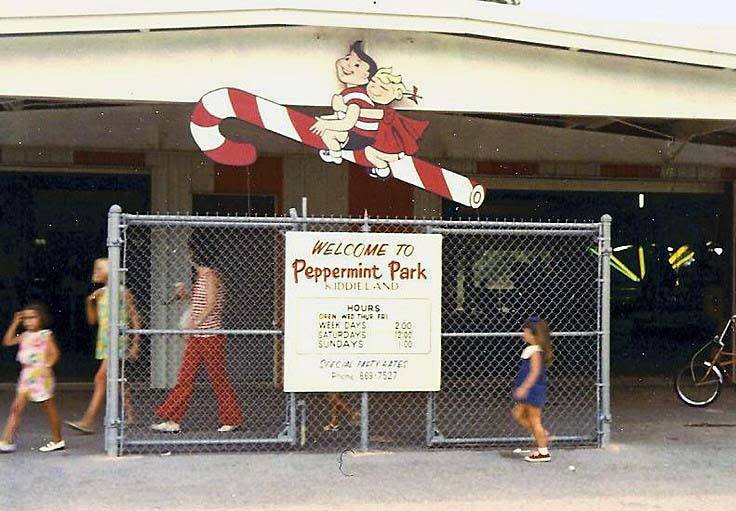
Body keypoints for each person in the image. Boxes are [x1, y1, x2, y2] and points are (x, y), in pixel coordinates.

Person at [151, 239, 242, 433]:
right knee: (186, 377)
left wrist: (197, 321)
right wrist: (185, 296)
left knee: (218, 378)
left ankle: (232, 418)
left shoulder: (209, 276)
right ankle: (172, 419)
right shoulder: (202, 277)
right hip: (198, 336)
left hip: (210, 336)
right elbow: (201, 301)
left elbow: (210, 303)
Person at [66, 258, 141, 434]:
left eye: (100, 268)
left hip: (117, 340)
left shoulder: (123, 292)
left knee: (101, 378)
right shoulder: (100, 293)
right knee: (117, 379)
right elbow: (93, 320)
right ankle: (131, 416)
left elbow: (135, 318)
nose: (96, 271)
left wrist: (135, 343)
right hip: (104, 341)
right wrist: (89, 301)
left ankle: (88, 420)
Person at [327, 67, 429, 179]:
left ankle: (382, 169)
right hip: (380, 144)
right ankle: (382, 169)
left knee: (370, 152)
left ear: (397, 94)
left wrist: (343, 108)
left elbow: (365, 114)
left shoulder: (386, 111)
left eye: (383, 88)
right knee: (369, 152)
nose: (374, 88)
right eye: (373, 81)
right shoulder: (372, 104)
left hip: (388, 146)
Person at [0, 304, 65, 453]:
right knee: (16, 408)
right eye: (26, 318)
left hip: (40, 376)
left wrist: (47, 366)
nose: (29, 321)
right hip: (26, 376)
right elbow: (8, 341)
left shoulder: (45, 335)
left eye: (33, 317)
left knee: (48, 407)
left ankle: (57, 439)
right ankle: (6, 440)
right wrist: (15, 322)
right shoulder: (24, 336)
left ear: (41, 318)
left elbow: (54, 353)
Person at [310, 40, 379, 163]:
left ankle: (335, 155)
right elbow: (340, 117)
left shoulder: (357, 96)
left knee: (328, 133)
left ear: (366, 77)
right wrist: (325, 119)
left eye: (357, 65)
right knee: (326, 129)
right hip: (355, 132)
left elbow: (348, 123)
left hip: (362, 136)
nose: (348, 65)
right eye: (347, 59)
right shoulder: (348, 93)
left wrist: (325, 124)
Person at [511, 316, 554, 463]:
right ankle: (542, 435)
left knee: (534, 420)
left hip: (533, 391)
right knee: (518, 414)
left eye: (526, 332)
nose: (524, 335)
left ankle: (543, 451)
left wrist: (524, 387)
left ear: (535, 335)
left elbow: (534, 372)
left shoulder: (535, 351)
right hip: (529, 391)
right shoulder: (530, 349)